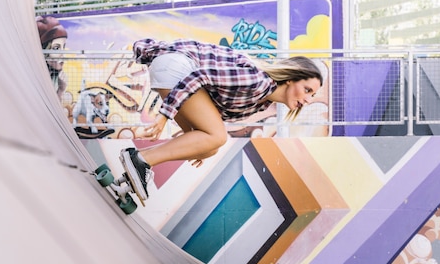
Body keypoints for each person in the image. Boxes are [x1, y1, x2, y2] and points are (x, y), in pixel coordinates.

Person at [120, 38, 323, 201]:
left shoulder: (261, 101)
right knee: (217, 137)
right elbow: (199, 76)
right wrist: (166, 114)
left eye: (312, 95)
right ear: (291, 78)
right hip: (177, 66)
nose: (307, 100)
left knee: (210, 148)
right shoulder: (257, 82)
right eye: (307, 90)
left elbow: (210, 109)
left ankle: (134, 169)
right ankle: (141, 161)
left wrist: (197, 143)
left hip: (178, 73)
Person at [36, 15, 68, 100]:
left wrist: (61, 90)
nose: (62, 54)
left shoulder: (56, 76)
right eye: (56, 48)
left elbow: (55, 108)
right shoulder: (36, 75)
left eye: (63, 47)